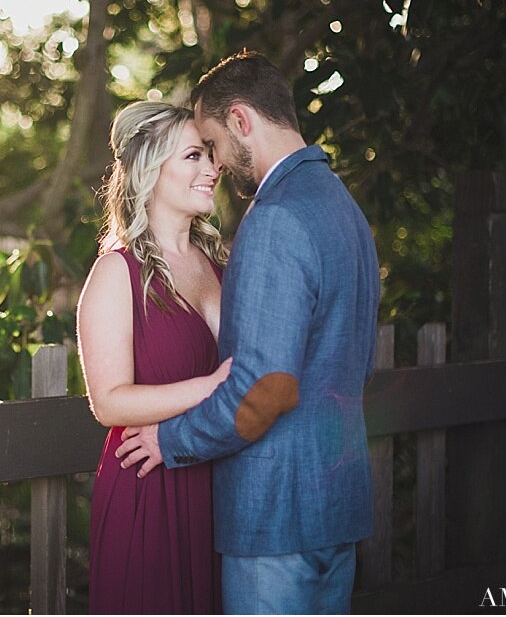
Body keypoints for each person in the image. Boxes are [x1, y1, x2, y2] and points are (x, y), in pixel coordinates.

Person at [115, 51, 381, 614]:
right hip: (337, 503)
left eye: (211, 144)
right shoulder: (343, 208)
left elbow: (264, 389)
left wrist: (170, 440)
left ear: (241, 121)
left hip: (277, 515)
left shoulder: (276, 217)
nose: (217, 163)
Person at [77, 100, 232, 614]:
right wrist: (215, 386)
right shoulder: (115, 273)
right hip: (149, 487)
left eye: (210, 155)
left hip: (217, 482)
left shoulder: (221, 262)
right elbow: (110, 403)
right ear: (150, 170)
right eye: (194, 156)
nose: (212, 169)